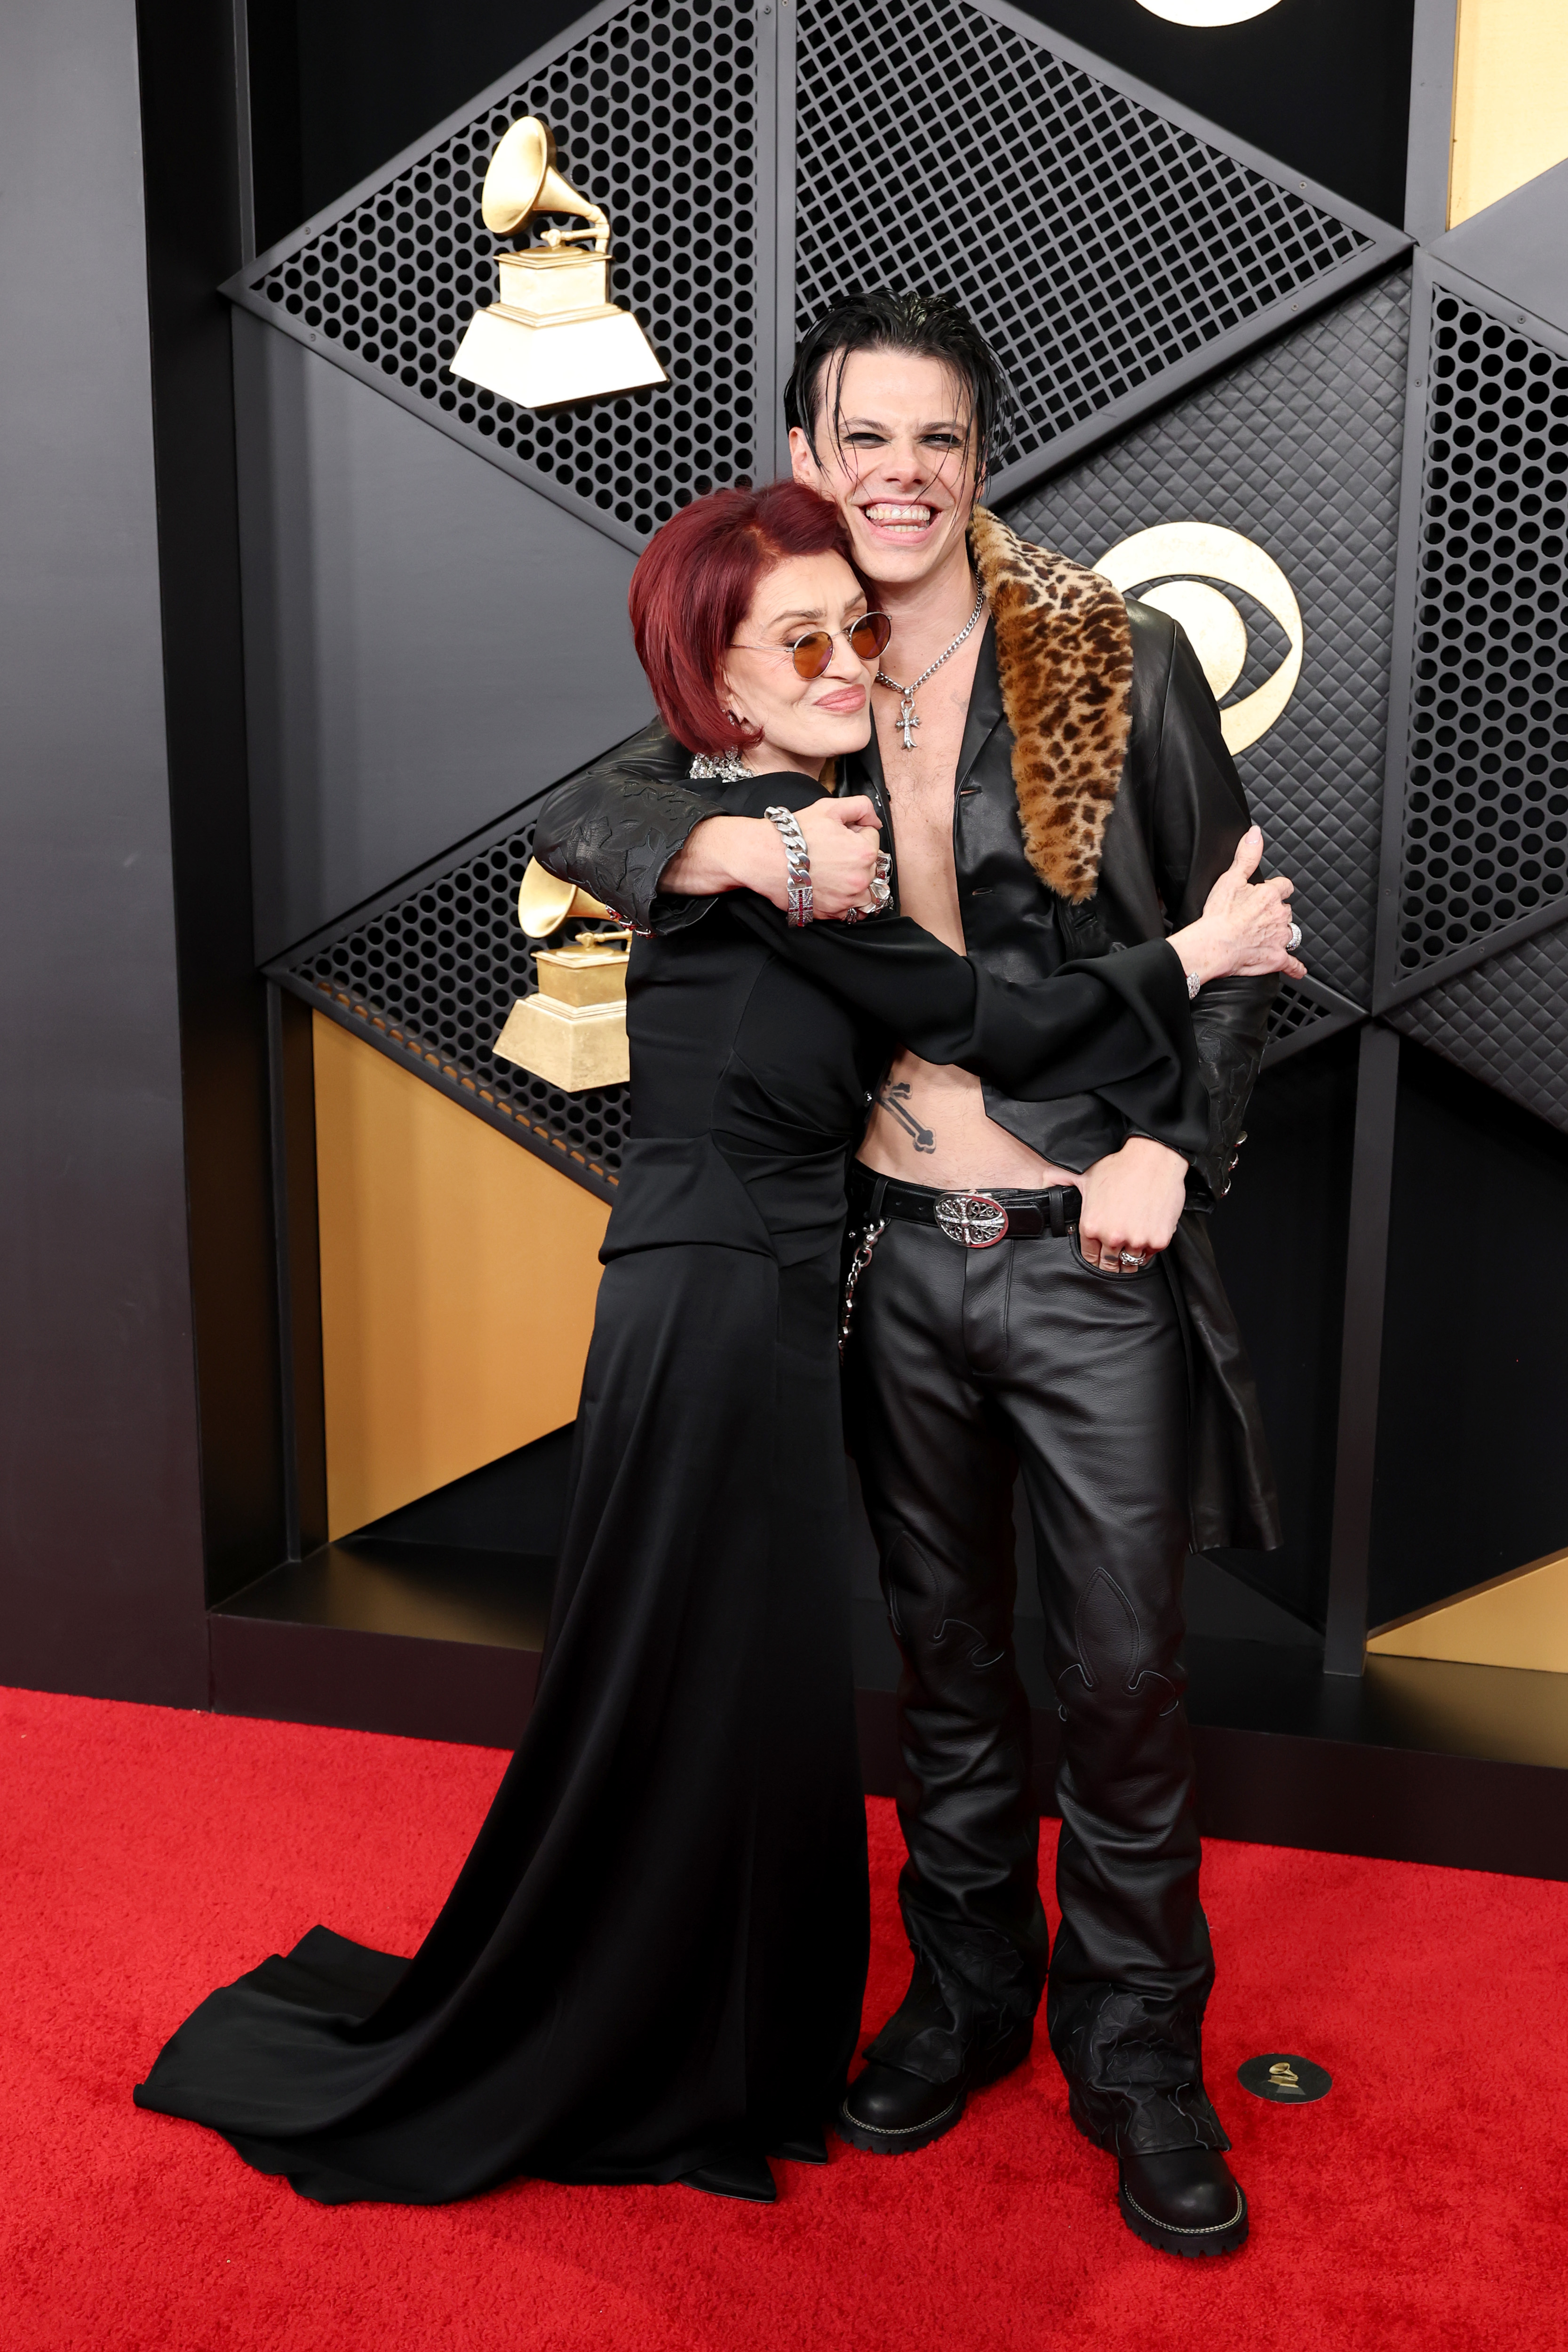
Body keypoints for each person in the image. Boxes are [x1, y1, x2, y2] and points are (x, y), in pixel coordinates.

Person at [135, 483, 1291, 2211]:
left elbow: (970, 1005)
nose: (841, 664)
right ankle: (645, 2040)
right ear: (716, 683)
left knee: (719, 1688)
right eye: (795, 644)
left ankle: (702, 2026)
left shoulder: (798, 828)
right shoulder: (760, 843)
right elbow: (986, 1013)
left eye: (853, 632)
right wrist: (1200, 947)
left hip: (753, 1300)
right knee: (704, 1687)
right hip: (719, 1306)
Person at [531, 294, 1301, 2257]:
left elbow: (1243, 944)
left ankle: (1138, 2048)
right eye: (861, 435)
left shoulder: (1106, 656)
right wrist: (732, 856)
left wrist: (1169, 1150)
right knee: (946, 1671)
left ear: (980, 458)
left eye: (936, 438)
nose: (899, 473)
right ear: (808, 450)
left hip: (1086, 1247)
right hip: (884, 1253)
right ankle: (965, 1992)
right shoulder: (787, 652)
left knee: (1120, 1679)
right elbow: (591, 820)